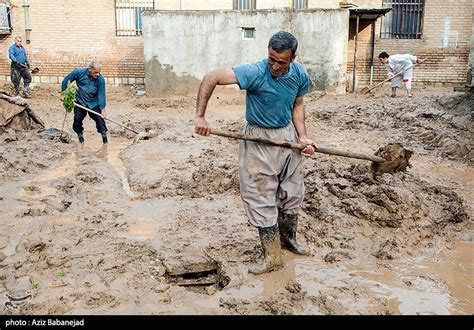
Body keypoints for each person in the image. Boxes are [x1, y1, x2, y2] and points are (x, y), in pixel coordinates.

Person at [195, 31, 316, 274]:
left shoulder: (300, 73)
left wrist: (302, 136)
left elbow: (298, 105)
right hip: (258, 139)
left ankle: (287, 240)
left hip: (287, 137)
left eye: (281, 62)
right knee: (261, 197)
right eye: (271, 58)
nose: (274, 65)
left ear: (293, 58)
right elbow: (212, 77)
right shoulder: (254, 72)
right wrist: (200, 116)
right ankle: (272, 255)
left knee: (292, 192)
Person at [61, 60, 108, 144]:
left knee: (100, 120)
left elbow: (101, 95)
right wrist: (64, 94)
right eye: (96, 72)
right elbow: (66, 81)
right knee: (77, 119)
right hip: (80, 101)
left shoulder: (100, 80)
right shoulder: (79, 72)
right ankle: (80, 136)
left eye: (99, 72)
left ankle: (104, 138)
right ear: (90, 69)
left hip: (93, 103)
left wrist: (103, 110)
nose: (98, 74)